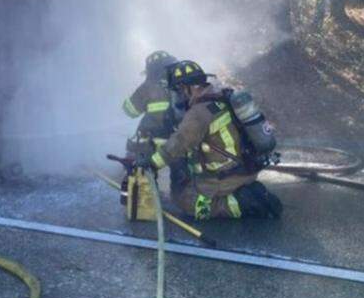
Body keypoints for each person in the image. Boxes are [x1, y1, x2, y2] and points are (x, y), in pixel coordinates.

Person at [137, 60, 282, 220]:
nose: (178, 97)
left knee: (185, 201)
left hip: (228, 177)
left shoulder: (199, 112)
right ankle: (247, 192)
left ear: (188, 88)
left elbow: (179, 144)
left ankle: (241, 203)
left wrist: (152, 163)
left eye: (178, 91)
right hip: (245, 168)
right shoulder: (220, 97)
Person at [121, 51, 188, 194]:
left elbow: (130, 111)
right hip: (178, 141)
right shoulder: (183, 83)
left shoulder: (147, 86)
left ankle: (146, 198)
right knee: (182, 177)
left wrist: (132, 95)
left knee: (141, 170)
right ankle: (179, 197)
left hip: (151, 142)